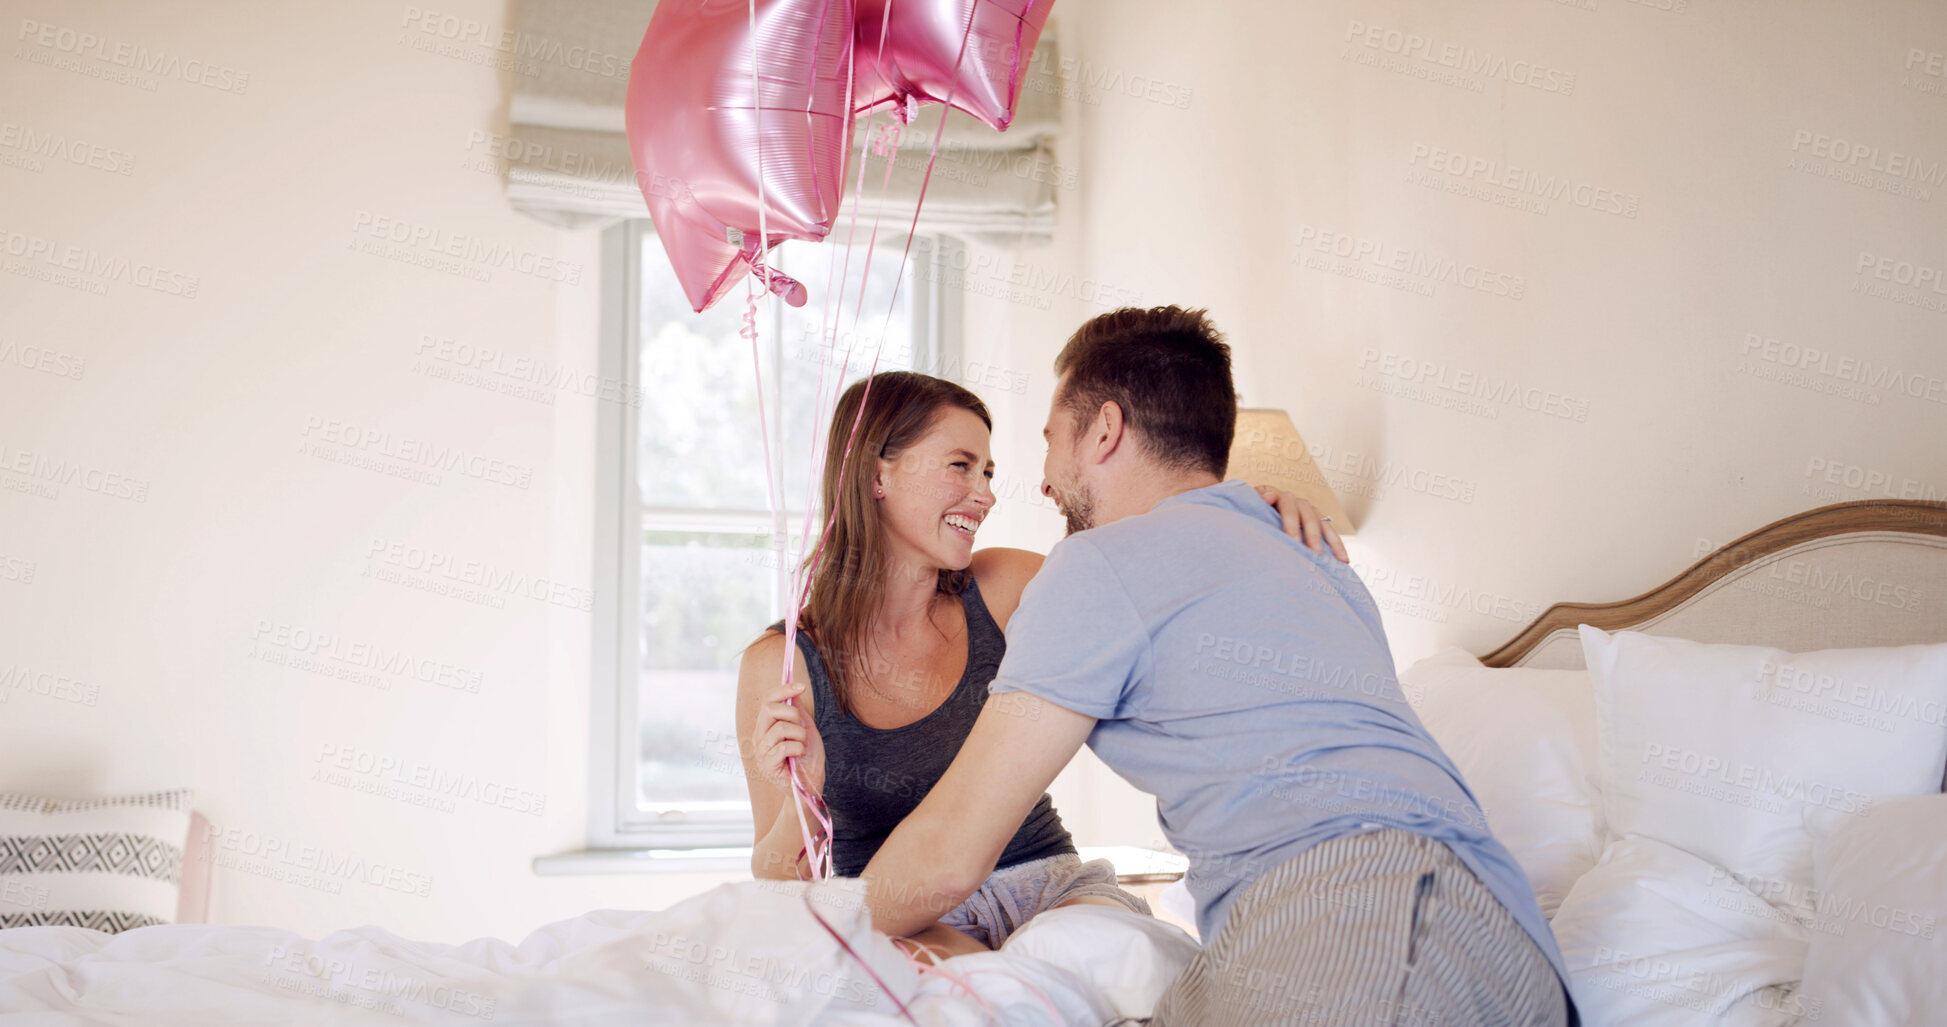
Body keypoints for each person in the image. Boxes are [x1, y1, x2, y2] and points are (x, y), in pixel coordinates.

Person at [855, 309, 1578, 1025]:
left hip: (1366, 920)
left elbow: (949, 857)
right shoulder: (1312, 554)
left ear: (1103, 430)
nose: (1042, 481)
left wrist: (813, 916)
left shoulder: (1097, 563)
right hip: (1500, 939)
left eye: (1049, 442)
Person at [735, 370, 1343, 959]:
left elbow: (1149, 565)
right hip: (901, 915)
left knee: (1118, 960)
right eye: (961, 465)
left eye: (989, 471)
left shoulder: (1006, 586)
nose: (986, 493)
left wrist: (1244, 511)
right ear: (875, 474)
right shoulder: (781, 666)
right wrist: (801, 802)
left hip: (1053, 893)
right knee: (942, 991)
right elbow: (778, 882)